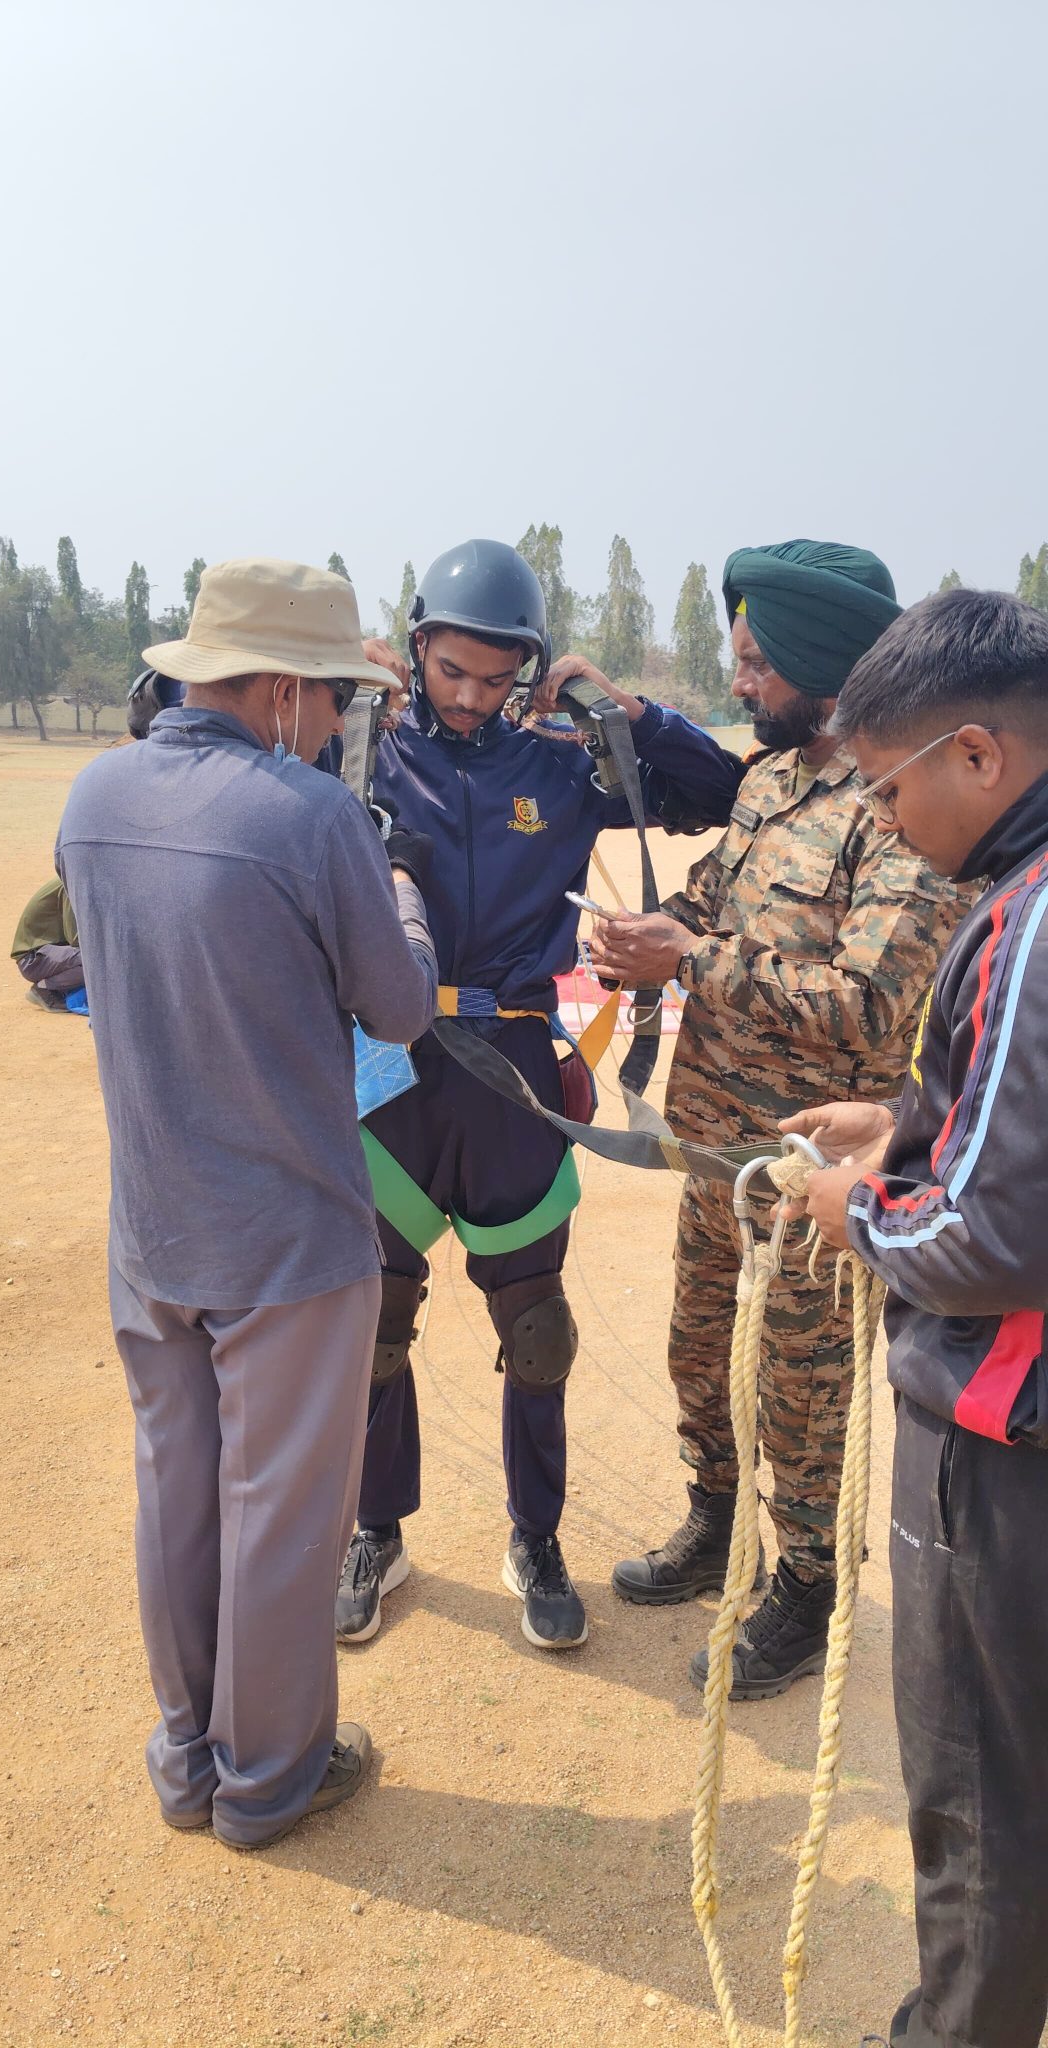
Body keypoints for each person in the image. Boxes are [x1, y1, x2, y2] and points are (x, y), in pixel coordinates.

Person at [56, 558, 438, 1850]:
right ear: (279, 689)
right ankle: (270, 1780)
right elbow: (399, 1008)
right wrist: (402, 899)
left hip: (153, 1227)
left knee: (178, 1494)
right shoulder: (313, 819)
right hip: (288, 1236)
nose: (335, 724)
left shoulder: (95, 796)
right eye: (333, 698)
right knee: (279, 1516)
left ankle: (188, 1761)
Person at [334, 536, 745, 1651]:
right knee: (375, 1319)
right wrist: (331, 684)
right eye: (449, 671)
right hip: (390, 1071)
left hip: (514, 1073)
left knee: (538, 1327)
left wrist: (628, 712)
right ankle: (376, 1528)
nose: (470, 697)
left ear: (529, 667)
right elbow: (204, 743)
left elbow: (720, 793)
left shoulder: (563, 767)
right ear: (416, 648)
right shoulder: (363, 749)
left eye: (494, 676)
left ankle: (538, 1538)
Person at [596, 540, 968, 1698]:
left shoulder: (898, 806)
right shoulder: (766, 782)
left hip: (813, 1178)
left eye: (758, 661)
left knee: (804, 1398)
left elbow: (867, 997)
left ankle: (808, 1584)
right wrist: (648, 934)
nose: (740, 680)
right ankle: (718, 1525)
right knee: (701, 1352)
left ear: (826, 663)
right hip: (716, 1153)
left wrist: (690, 959)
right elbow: (716, 897)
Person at [786, 589, 1048, 2048]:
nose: (882, 820)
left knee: (983, 1801)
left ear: (978, 755)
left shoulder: (1029, 917)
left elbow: (994, 1234)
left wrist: (859, 1210)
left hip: (1004, 1443)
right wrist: (907, 1123)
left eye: (889, 787)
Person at [11, 875, 84, 1010]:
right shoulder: (73, 883)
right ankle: (44, 989)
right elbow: (75, 939)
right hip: (33, 960)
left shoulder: (77, 877)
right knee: (97, 960)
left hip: (49, 953)